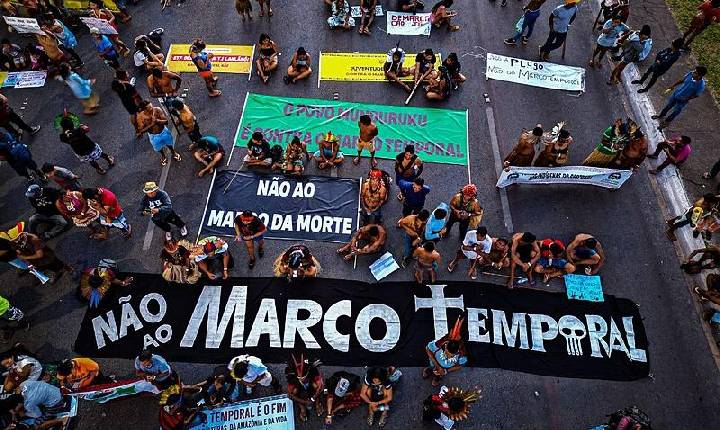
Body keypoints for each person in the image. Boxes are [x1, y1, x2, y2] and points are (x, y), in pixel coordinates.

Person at [136, 100, 181, 166]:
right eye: (149, 108)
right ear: (144, 109)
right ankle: (163, 155)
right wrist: (152, 124)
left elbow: (166, 121)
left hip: (163, 132)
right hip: (153, 136)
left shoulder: (157, 110)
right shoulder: (140, 117)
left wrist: (157, 120)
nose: (152, 108)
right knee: (158, 148)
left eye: (151, 106)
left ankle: (173, 152)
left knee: (169, 143)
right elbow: (141, 131)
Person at [424, 317, 467, 386]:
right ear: (446, 345)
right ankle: (428, 370)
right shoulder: (439, 343)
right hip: (433, 363)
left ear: (457, 351)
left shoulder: (462, 355)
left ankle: (437, 378)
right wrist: (438, 367)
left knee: (439, 375)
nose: (448, 356)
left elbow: (459, 366)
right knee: (431, 368)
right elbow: (428, 349)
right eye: (446, 352)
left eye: (451, 355)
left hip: (444, 369)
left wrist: (445, 371)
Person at [285, 354, 324, 422]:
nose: (302, 380)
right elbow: (290, 395)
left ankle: (317, 404)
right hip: (299, 387)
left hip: (311, 383)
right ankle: (302, 408)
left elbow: (321, 386)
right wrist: (304, 402)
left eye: (304, 377)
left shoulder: (313, 371)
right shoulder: (291, 375)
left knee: (317, 387)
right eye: (300, 378)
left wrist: (313, 398)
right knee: (294, 391)